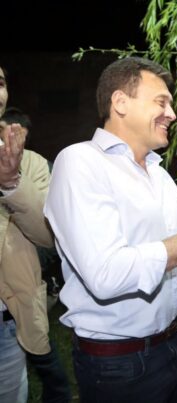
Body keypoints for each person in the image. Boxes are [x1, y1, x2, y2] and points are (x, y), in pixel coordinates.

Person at [44, 56, 177, 402]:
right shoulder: (80, 162)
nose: (172, 114)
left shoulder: (159, 175)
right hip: (120, 365)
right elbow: (107, 275)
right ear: (120, 102)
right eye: (161, 102)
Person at [0, 64, 71, 403]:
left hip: (9, 325)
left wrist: (12, 183)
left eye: (0, 82)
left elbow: (49, 236)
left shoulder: (33, 164)